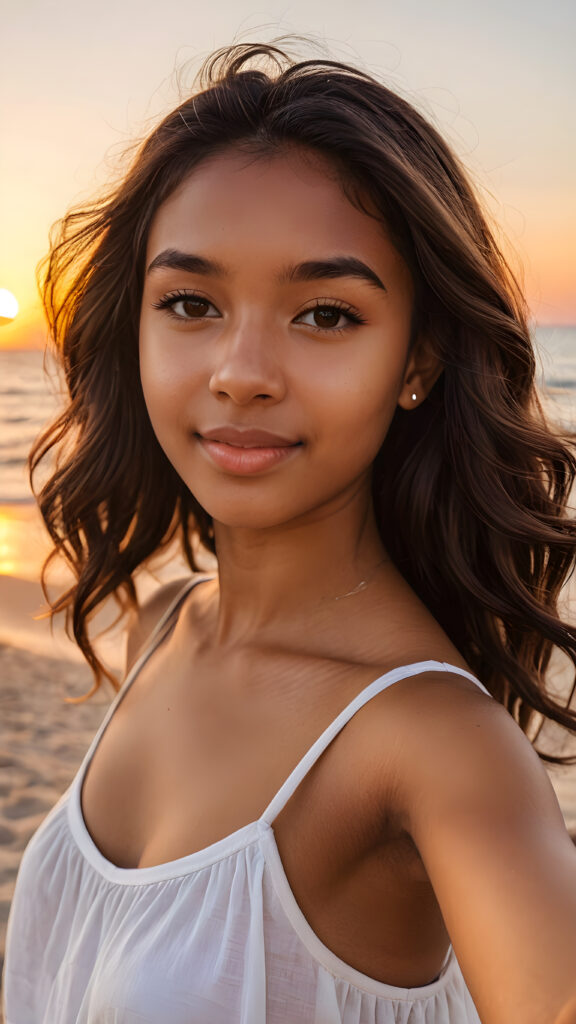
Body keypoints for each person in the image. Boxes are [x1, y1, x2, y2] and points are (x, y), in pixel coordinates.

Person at [3, 41, 576, 1024]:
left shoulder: (433, 745)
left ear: (419, 360)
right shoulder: (164, 625)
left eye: (324, 313)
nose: (241, 371)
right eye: (189, 303)